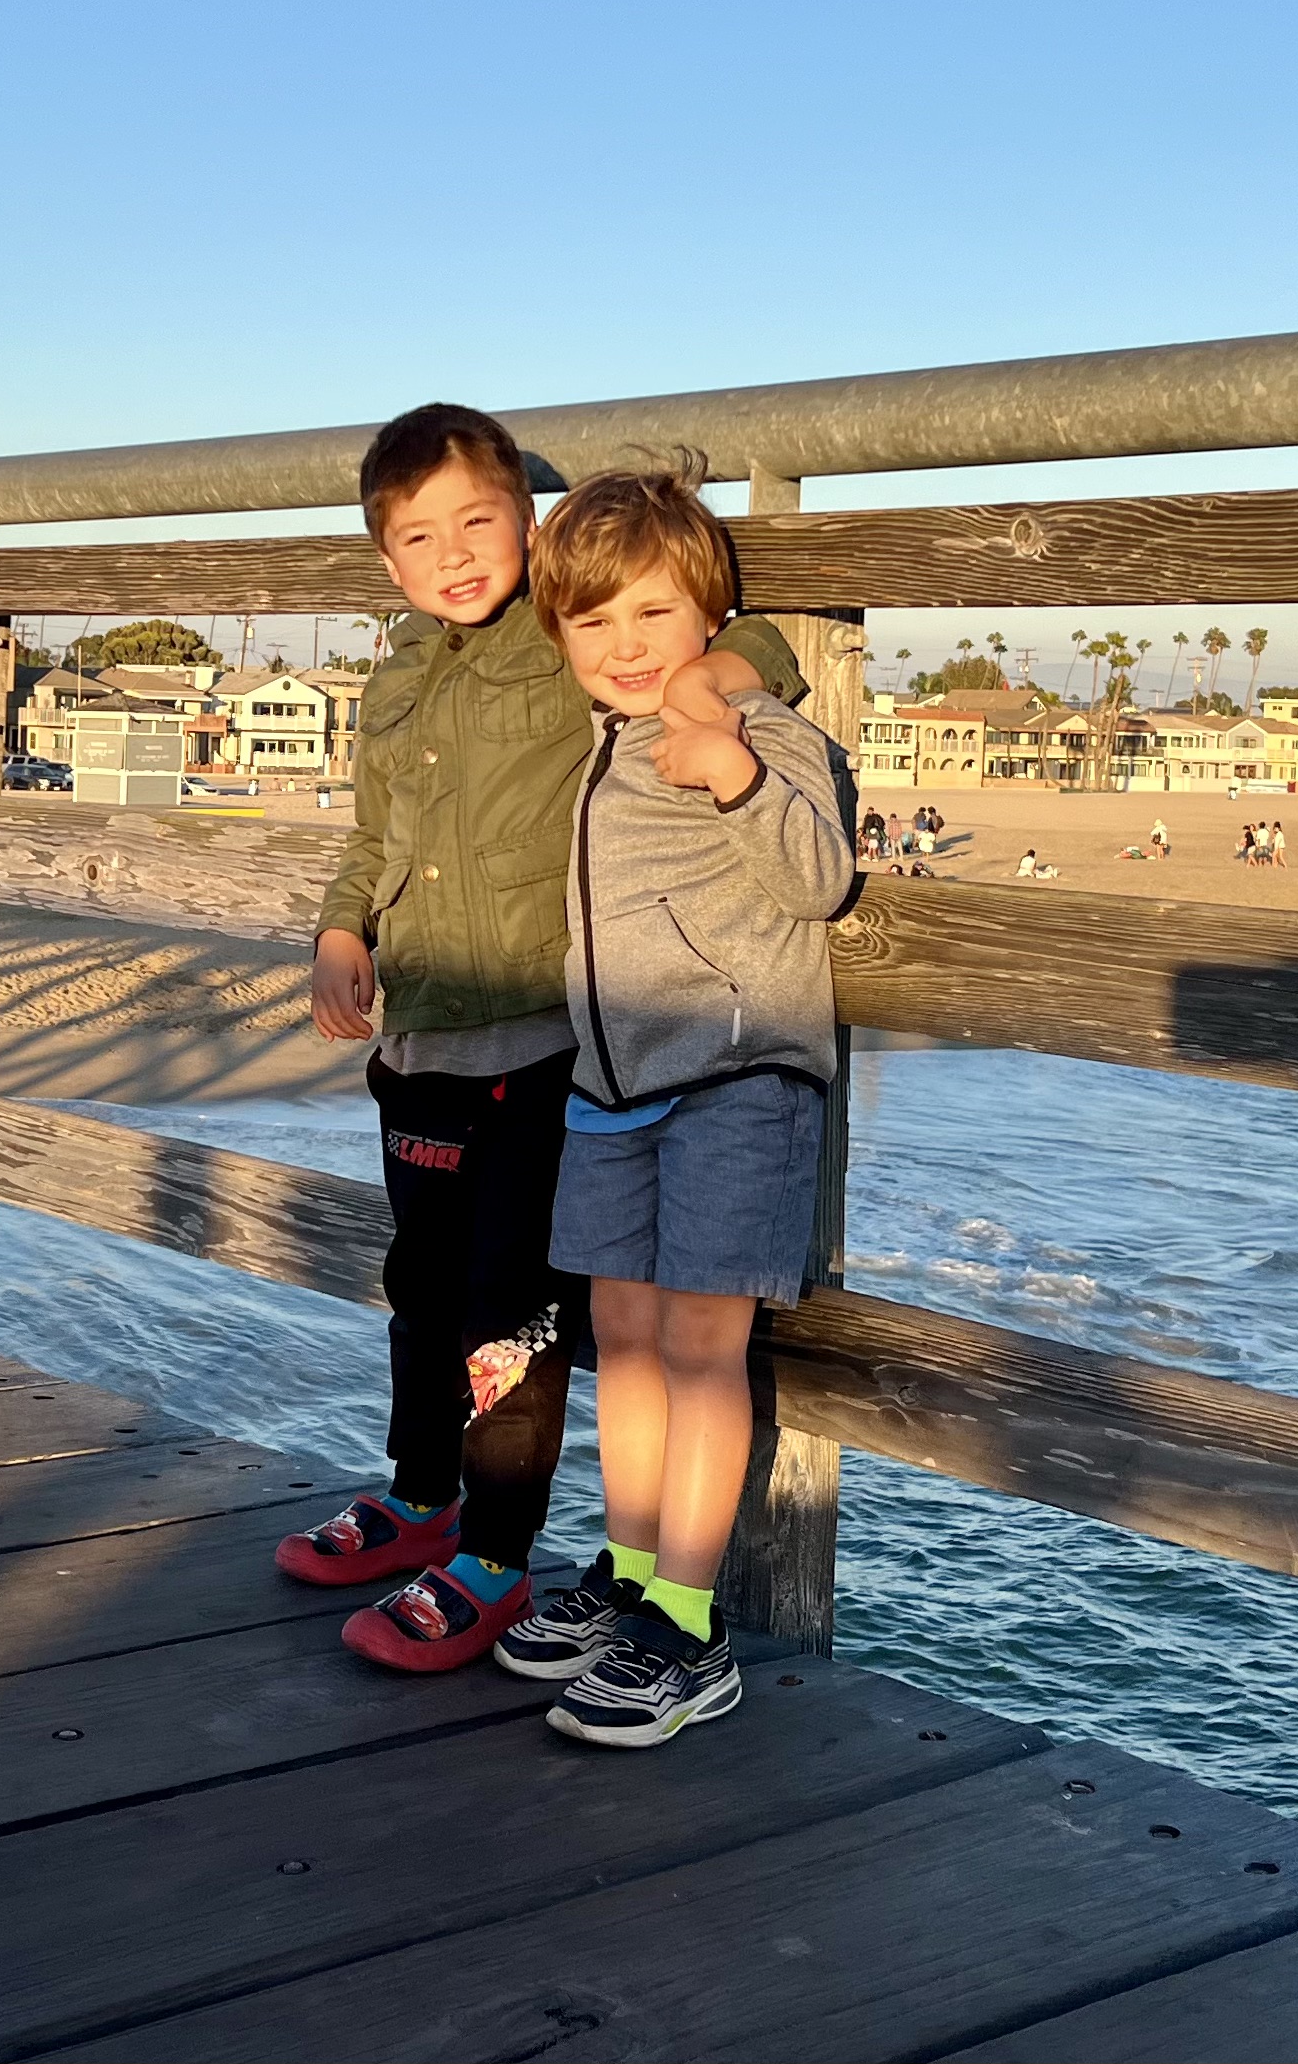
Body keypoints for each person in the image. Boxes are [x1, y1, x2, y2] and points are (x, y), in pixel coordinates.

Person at [275, 404, 804, 1673]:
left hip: (540, 1041)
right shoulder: (395, 680)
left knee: (514, 1316)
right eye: (418, 538)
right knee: (421, 1288)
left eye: (478, 521)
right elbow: (374, 836)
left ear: (529, 521)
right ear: (385, 561)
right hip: (420, 1038)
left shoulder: (568, 639)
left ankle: (499, 1556)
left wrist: (705, 685)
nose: (454, 556)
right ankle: (420, 1495)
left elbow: (760, 640)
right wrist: (343, 924)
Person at [492, 457, 850, 1746]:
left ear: (708, 614)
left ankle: (687, 1626)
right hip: (608, 1091)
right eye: (594, 622)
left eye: (654, 615)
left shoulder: (752, 728)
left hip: (735, 1085)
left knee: (702, 1353)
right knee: (625, 1347)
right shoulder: (596, 743)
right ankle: (632, 1572)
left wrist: (737, 765)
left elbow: (818, 878)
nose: (627, 647)